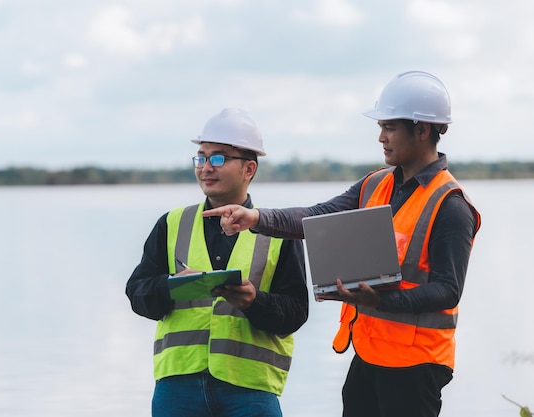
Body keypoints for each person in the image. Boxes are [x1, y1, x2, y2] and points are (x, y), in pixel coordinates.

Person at [203, 71, 482, 417]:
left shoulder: (451, 205)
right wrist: (256, 218)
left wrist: (381, 299)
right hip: (368, 355)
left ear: (422, 130)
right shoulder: (376, 184)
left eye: (389, 128)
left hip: (417, 365)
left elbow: (447, 290)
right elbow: (318, 216)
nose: (381, 137)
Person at [126, 107, 309, 417]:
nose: (206, 168)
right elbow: (138, 296)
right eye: (201, 157)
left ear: (249, 169)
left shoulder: (278, 232)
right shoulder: (171, 224)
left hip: (250, 390)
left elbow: (294, 313)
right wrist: (172, 287)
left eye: (219, 158)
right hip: (177, 388)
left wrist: (254, 301)